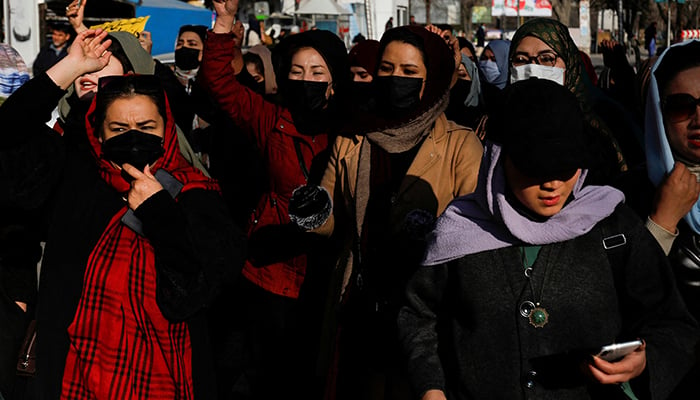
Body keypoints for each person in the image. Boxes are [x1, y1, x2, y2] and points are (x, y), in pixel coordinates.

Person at [399, 78, 699, 400]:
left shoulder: (612, 227)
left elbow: (671, 322)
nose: (553, 184)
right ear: (499, 159)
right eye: (536, 168)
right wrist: (431, 388)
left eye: (566, 166)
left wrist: (644, 360)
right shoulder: (458, 233)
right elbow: (419, 317)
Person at [0, 30, 246, 399]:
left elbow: (211, 275)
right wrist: (67, 67)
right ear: (99, 131)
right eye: (117, 128)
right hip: (72, 364)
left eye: (146, 127)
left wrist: (160, 211)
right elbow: (8, 135)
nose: (132, 135)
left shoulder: (188, 184)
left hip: (158, 367)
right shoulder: (73, 167)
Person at [288, 25, 483, 400]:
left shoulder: (460, 144)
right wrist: (311, 213)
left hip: (427, 312)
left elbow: (473, 234)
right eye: (387, 69)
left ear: (432, 79)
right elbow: (331, 217)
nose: (396, 80)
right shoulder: (354, 136)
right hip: (360, 305)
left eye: (410, 73)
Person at [200, 0, 350, 398]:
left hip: (328, 271)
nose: (306, 80)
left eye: (317, 72)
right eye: (297, 71)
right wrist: (225, 21)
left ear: (334, 81)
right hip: (268, 268)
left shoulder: (352, 130)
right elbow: (219, 82)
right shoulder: (270, 118)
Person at [508, 17, 627, 182]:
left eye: (547, 59)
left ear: (569, 64)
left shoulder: (599, 126)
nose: (533, 69)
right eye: (521, 60)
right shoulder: (496, 124)